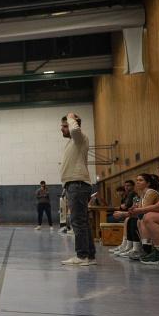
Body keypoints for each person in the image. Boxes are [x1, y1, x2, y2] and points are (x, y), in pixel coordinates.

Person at [59, 112, 96, 265]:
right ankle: (89, 256)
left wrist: (70, 116)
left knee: (78, 222)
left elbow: (74, 129)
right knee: (83, 222)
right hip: (74, 185)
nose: (62, 129)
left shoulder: (79, 138)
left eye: (64, 126)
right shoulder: (73, 142)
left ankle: (82, 256)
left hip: (77, 185)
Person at [111, 173, 159, 260]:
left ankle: (142, 249)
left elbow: (142, 211)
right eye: (137, 180)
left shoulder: (151, 192)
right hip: (149, 218)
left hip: (156, 218)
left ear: (148, 183)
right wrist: (128, 211)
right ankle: (130, 247)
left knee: (135, 220)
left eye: (140, 180)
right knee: (130, 219)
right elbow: (138, 210)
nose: (138, 182)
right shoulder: (143, 194)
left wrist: (123, 213)